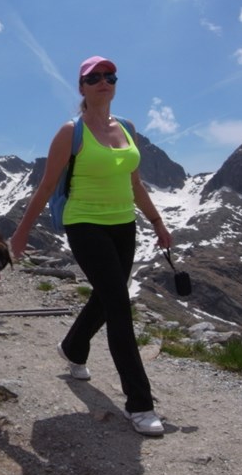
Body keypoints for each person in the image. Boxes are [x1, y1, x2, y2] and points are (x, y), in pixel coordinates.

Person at [10, 56, 173, 436]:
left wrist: (157, 222)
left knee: (106, 296)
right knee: (118, 306)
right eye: (94, 77)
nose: (104, 81)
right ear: (82, 87)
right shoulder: (71, 132)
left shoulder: (127, 128)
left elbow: (135, 184)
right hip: (84, 223)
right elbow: (46, 186)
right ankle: (140, 404)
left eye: (110, 76)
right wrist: (21, 233)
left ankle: (73, 347)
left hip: (124, 225)